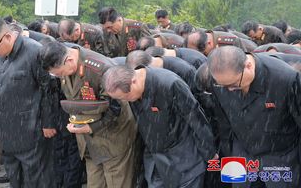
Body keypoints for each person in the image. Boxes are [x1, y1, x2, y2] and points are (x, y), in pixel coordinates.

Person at [40, 41, 139, 188]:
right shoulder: (65, 63)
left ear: (69, 60)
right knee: (94, 184)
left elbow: (116, 109)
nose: (60, 77)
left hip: (113, 138)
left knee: (117, 183)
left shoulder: (101, 69)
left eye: (60, 73)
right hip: (89, 144)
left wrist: (91, 127)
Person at [102, 65, 216, 188]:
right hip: (155, 157)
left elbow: (196, 119)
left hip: (183, 156)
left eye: (125, 97)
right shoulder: (129, 90)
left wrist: (210, 152)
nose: (125, 100)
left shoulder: (169, 84)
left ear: (133, 81)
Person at [206, 46, 301, 187]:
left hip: (280, 156)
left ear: (248, 66)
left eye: (234, 84)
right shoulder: (219, 79)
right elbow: (224, 122)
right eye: (224, 86)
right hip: (241, 153)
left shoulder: (285, 79)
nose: (230, 90)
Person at [0, 17, 55, 188]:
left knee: (36, 179)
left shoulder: (35, 52)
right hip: (7, 131)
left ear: (7, 36)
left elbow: (48, 90)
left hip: (32, 128)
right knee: (14, 177)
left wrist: (48, 123)